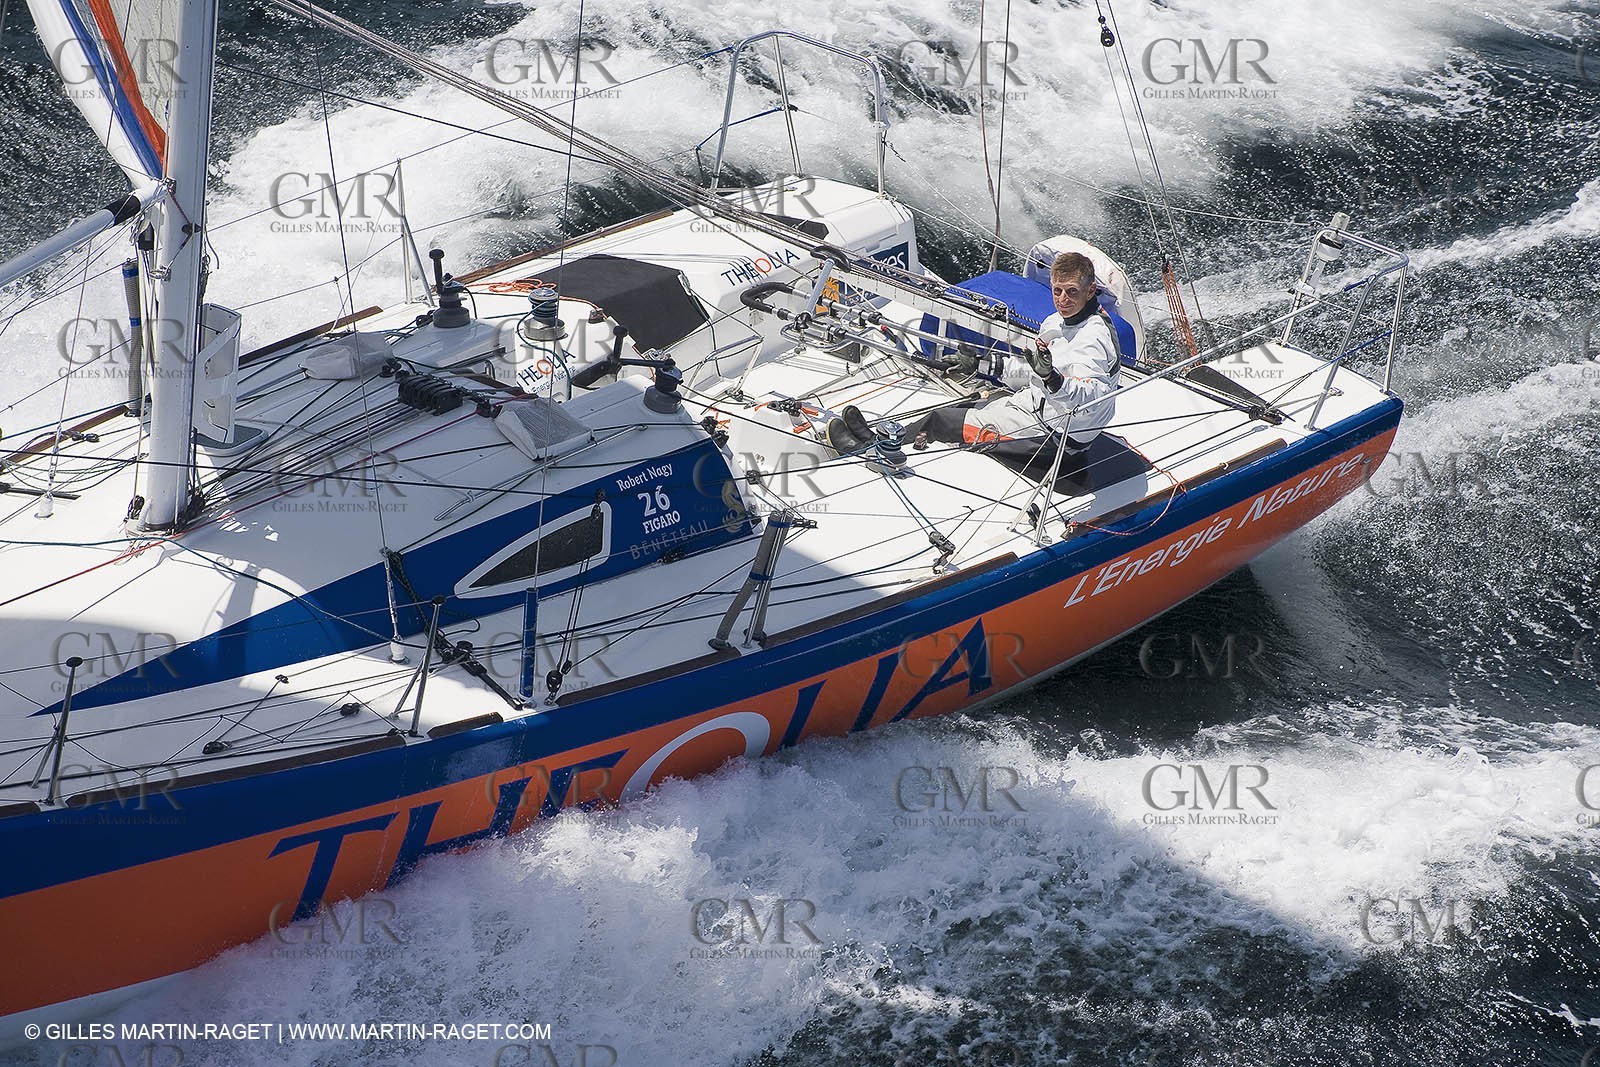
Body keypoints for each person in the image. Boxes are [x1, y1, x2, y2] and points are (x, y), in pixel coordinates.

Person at [826, 252, 1121, 475]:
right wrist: (981, 365)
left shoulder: (1093, 338)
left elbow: (1092, 398)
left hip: (1053, 439)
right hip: (1034, 408)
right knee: (963, 408)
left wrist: (1052, 380)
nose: (1063, 299)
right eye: (1057, 290)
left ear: (1090, 291)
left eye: (1072, 291)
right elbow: (1032, 368)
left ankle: (876, 455)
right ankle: (880, 441)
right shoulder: (1056, 321)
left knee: (942, 422)